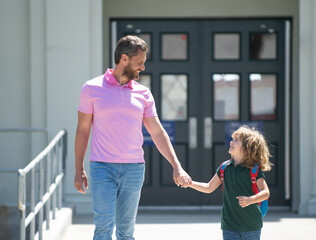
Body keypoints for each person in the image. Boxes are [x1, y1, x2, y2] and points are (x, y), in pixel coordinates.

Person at [74, 35, 191, 240]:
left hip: (134, 168)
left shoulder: (143, 93)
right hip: (102, 167)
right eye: (140, 62)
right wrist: (78, 168)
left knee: (126, 230)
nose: (143, 67)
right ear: (124, 59)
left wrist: (176, 165)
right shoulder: (91, 88)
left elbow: (157, 132)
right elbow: (83, 130)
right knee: (103, 226)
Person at [180, 125, 272, 240]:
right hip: (229, 226)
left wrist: (250, 200)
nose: (231, 142)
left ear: (246, 148)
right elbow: (209, 187)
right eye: (232, 139)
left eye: (236, 140)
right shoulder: (224, 167)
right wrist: (190, 183)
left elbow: (266, 193)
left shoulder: (254, 170)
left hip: (251, 226)